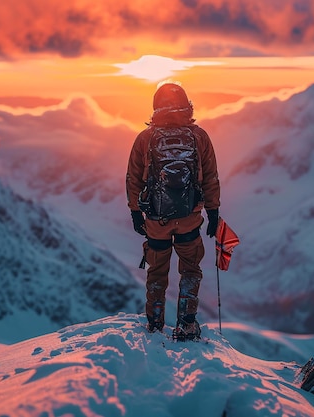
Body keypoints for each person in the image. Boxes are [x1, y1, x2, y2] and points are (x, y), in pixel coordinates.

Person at [126, 82, 220, 341]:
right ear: (187, 105)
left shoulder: (146, 138)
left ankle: (155, 324)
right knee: (190, 269)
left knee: (157, 272)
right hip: (190, 218)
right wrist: (213, 212)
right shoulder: (199, 136)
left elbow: (133, 178)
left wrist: (136, 212)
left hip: (157, 219)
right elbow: (210, 177)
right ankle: (186, 325)